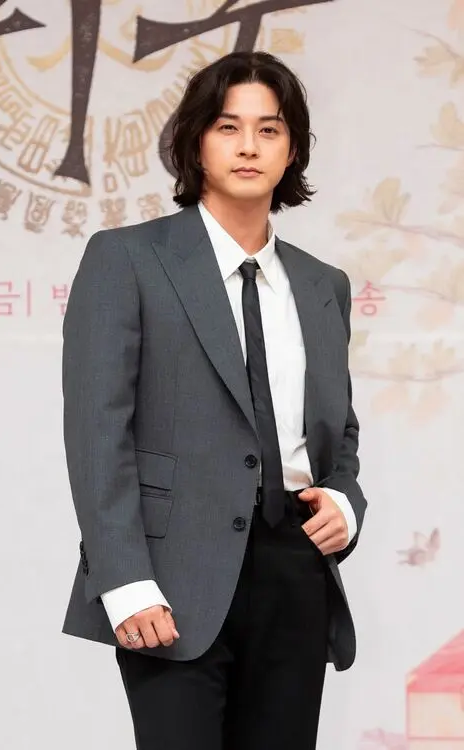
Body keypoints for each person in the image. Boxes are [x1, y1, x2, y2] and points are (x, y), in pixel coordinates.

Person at [61, 50, 367, 750]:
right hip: (172, 576)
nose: (249, 146)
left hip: (295, 569)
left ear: (293, 150)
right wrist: (124, 578)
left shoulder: (324, 286)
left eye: (270, 129)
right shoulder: (127, 259)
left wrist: (346, 499)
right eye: (229, 127)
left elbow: (337, 431)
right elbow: (97, 433)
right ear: (194, 141)